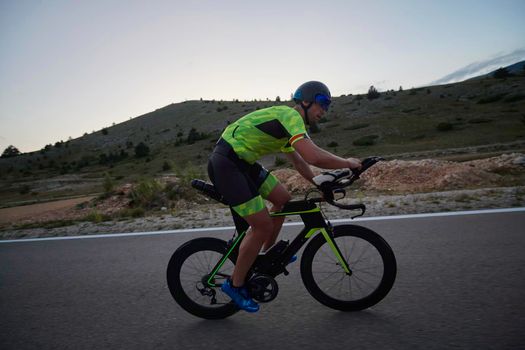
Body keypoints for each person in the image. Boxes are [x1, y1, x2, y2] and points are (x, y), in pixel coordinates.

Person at [207, 81, 361, 312]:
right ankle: (235, 285)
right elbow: (313, 156)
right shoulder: (290, 115)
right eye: (322, 103)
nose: (324, 111)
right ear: (306, 101)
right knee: (262, 226)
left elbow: (299, 160)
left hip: (243, 164)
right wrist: (348, 163)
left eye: (328, 106)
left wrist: (317, 182)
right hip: (227, 164)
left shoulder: (288, 127)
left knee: (283, 200)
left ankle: (267, 257)